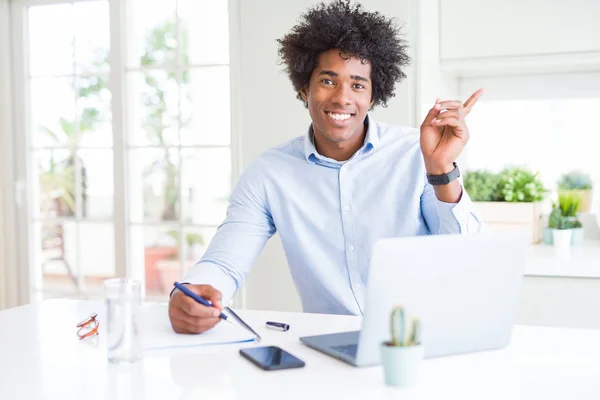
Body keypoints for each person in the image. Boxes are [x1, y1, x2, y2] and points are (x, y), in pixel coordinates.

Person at [168, 0, 482, 334]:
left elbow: (465, 256)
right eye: (328, 81)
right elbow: (224, 263)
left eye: (358, 84)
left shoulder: (414, 154)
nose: (342, 98)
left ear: (374, 97)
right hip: (331, 351)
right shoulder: (269, 173)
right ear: (305, 88)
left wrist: (440, 167)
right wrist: (195, 294)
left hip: (423, 340)